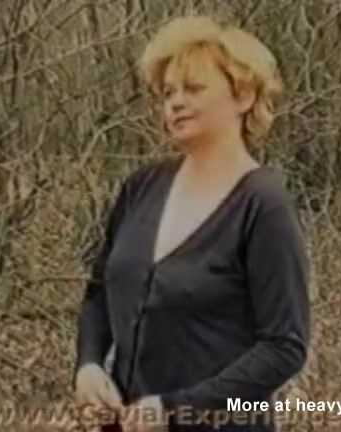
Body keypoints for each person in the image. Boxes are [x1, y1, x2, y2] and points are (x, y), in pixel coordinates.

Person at [71, 15, 311, 432]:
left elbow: (283, 347)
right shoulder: (142, 187)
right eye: (168, 93)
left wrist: (179, 409)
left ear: (243, 96)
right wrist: (88, 364)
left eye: (194, 88)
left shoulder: (262, 205)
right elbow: (100, 292)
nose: (175, 103)